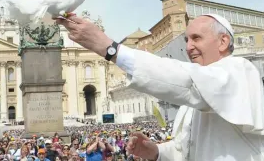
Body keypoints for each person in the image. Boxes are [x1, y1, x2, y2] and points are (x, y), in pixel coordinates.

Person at [56, 13, 264, 161]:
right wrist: (156, 151)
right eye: (186, 40)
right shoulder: (191, 105)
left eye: (196, 38)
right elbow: (185, 150)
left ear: (223, 41)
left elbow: (186, 80)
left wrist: (110, 49)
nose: (189, 46)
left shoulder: (240, 71)